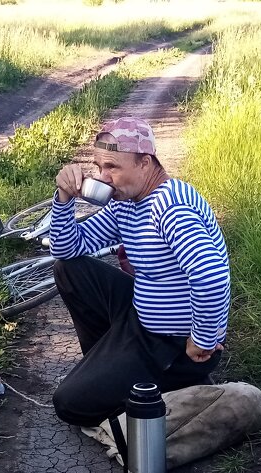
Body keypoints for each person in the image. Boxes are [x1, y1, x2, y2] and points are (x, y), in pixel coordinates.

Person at [49, 116, 231, 428]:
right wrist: (64, 199)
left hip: (171, 342)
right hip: (140, 315)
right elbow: (68, 248)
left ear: (145, 163)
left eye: (112, 167)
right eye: (98, 167)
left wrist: (202, 338)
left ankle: (177, 382)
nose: (103, 177)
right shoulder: (128, 204)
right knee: (70, 269)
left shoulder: (172, 209)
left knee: (69, 404)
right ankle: (107, 363)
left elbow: (211, 277)